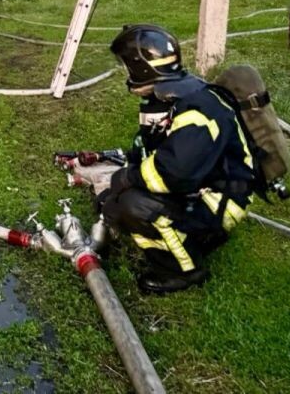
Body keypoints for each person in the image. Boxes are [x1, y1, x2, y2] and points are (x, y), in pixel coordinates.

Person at [70, 25, 257, 294]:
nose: (125, 72)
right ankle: (185, 234)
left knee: (135, 206)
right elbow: (148, 149)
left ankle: (183, 270)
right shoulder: (168, 96)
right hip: (199, 186)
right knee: (120, 200)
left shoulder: (196, 110)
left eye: (127, 65)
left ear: (142, 68)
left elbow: (172, 173)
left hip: (221, 201)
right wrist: (115, 190)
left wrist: (127, 180)